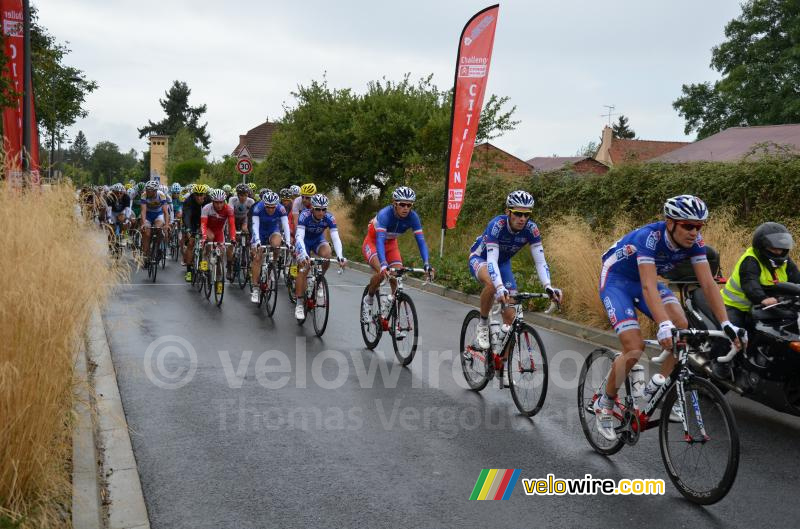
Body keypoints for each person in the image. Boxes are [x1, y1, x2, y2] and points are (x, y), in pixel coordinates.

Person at [594, 195, 744, 441]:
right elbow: (648, 286)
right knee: (634, 347)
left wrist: (726, 324)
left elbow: (708, 284)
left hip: (646, 282)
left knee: (681, 327)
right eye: (688, 226)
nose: (694, 232)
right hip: (617, 281)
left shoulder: (695, 242)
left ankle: (660, 384)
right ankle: (605, 403)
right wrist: (663, 324)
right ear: (671, 223)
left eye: (699, 226)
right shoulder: (649, 238)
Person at [468, 190, 563, 359]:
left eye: (527, 215)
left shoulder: (531, 229)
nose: (522, 219)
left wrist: (548, 286)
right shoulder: (497, 225)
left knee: (511, 320)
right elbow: (492, 261)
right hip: (481, 258)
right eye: (518, 213)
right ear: (508, 212)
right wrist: (499, 287)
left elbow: (540, 262)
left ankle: (501, 364)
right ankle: (482, 324)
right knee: (492, 284)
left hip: (503, 264)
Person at [361, 186, 434, 323]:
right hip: (373, 243)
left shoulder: (413, 217)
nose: (406, 208)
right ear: (394, 203)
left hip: (391, 245)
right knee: (382, 272)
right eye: (402, 204)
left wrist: (426, 264)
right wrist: (384, 264)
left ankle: (393, 317)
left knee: (397, 276)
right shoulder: (385, 214)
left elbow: (421, 241)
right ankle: (368, 299)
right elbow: (380, 240)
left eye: (409, 205)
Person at [721, 221, 800, 330]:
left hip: (766, 306)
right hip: (736, 307)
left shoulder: (785, 261)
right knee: (735, 335)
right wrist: (762, 298)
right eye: (773, 248)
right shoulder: (750, 260)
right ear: (761, 247)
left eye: (781, 249)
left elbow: (797, 279)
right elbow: (750, 283)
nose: (778, 252)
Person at [293, 193, 347, 320]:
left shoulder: (329, 217)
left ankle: (319, 279)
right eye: (318, 209)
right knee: (303, 269)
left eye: (324, 209)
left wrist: (340, 256)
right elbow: (299, 236)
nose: (321, 212)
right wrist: (303, 254)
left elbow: (335, 238)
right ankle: (299, 303)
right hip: (304, 242)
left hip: (318, 240)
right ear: (312, 208)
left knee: (327, 254)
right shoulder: (304, 216)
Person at [250, 191, 292, 303]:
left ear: (276, 205)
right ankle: (255, 288)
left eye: (273, 207)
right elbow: (255, 226)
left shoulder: (281, 208)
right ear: (264, 204)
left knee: (277, 245)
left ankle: (273, 264)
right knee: (257, 257)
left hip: (273, 230)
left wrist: (288, 242)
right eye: (268, 207)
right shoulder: (258, 208)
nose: (270, 209)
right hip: (259, 231)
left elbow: (286, 225)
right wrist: (257, 241)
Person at [200, 189, 236, 278]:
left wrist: (233, 238)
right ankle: (204, 260)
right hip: (208, 229)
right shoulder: (206, 208)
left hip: (219, 231)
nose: (219, 205)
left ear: (224, 201)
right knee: (210, 240)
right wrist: (204, 237)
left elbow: (232, 225)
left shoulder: (229, 209)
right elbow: (203, 224)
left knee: (221, 253)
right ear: (212, 201)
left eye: (221, 202)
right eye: (216, 202)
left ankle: (219, 273)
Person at [181, 184, 210, 282]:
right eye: (196, 194)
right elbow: (186, 216)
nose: (199, 197)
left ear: (205, 195)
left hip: (205, 221)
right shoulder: (189, 201)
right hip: (192, 221)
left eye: (201, 195)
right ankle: (189, 272)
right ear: (193, 195)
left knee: (207, 243)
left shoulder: (209, 200)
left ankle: (205, 264)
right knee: (191, 243)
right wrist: (188, 229)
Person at [139, 181, 170, 262]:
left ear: (155, 191)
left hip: (158, 214)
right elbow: (143, 211)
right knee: (146, 233)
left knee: (159, 228)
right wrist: (143, 224)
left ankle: (157, 247)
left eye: (149, 190)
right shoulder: (144, 195)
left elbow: (165, 212)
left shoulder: (161, 195)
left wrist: (167, 224)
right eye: (147, 190)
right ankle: (146, 254)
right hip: (148, 215)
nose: (147, 192)